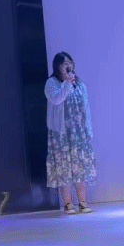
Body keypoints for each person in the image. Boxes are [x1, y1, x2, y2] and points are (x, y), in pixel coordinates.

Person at [44, 52, 97, 214]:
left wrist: (87, 128)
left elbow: (85, 106)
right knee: (64, 168)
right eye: (64, 63)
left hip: (78, 133)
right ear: (57, 66)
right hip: (61, 134)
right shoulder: (52, 83)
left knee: (80, 167)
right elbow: (56, 99)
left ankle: (82, 202)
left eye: (70, 62)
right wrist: (66, 84)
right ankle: (68, 204)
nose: (68, 65)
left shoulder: (79, 83)